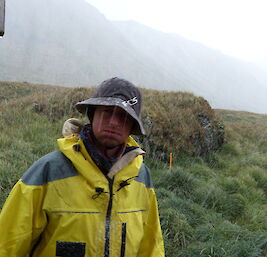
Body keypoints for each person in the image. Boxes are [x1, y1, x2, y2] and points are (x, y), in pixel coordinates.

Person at [0, 77, 165, 257]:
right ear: (92, 114)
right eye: (107, 112)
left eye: (124, 116)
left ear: (132, 126)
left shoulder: (141, 176)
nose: (114, 122)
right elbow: (8, 243)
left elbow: (151, 246)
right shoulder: (48, 171)